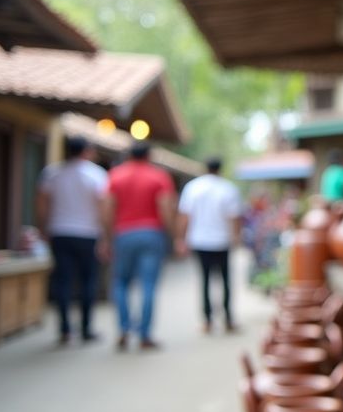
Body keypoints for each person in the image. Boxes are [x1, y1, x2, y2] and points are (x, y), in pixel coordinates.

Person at [35, 136, 108, 345]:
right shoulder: (96, 175)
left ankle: (65, 329)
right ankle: (86, 328)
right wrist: (105, 235)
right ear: (86, 151)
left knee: (63, 281)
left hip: (60, 232)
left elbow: (41, 203)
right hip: (88, 234)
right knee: (88, 281)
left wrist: (43, 228)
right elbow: (103, 207)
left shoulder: (52, 173)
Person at [105, 142, 176, 351]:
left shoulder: (115, 176)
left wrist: (107, 237)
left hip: (123, 234)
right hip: (151, 234)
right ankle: (145, 334)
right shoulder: (159, 176)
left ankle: (124, 329)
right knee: (148, 285)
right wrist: (171, 234)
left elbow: (108, 208)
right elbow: (165, 208)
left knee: (120, 283)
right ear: (149, 155)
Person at [175, 157, 243, 333]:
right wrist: (236, 237)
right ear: (220, 169)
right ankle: (228, 319)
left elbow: (184, 216)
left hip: (200, 241)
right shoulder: (228, 189)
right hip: (222, 241)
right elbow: (234, 217)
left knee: (204, 281)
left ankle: (207, 321)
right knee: (225, 280)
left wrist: (180, 239)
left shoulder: (193, 188)